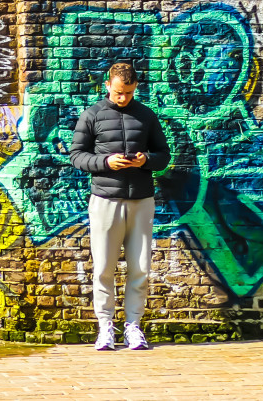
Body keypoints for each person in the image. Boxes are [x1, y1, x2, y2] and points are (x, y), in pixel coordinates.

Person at [69, 62, 171, 353]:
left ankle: (133, 327)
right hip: (105, 200)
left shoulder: (146, 115)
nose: (122, 98)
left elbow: (163, 155)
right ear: (107, 85)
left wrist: (145, 161)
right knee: (103, 268)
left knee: (140, 268)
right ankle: (105, 328)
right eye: (117, 92)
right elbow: (76, 156)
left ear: (135, 87)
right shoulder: (93, 114)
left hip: (142, 200)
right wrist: (105, 163)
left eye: (127, 92)